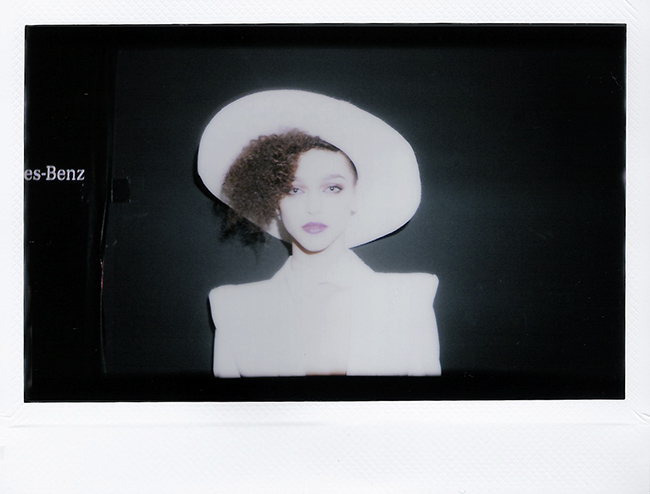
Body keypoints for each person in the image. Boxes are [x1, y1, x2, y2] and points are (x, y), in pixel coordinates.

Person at [197, 89, 441, 377]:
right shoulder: (233, 310)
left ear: (355, 198)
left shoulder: (410, 301)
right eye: (294, 190)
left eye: (332, 188)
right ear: (275, 203)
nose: (313, 207)